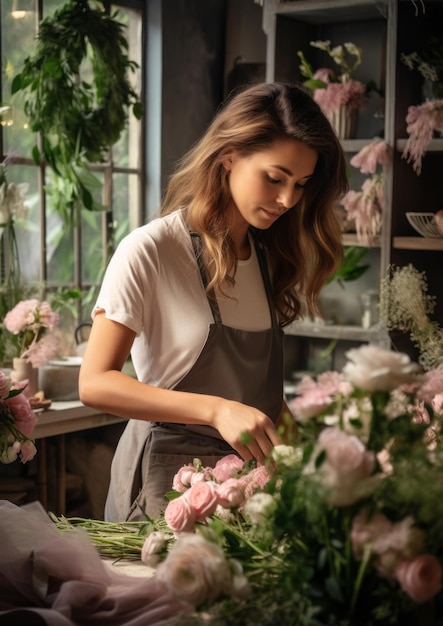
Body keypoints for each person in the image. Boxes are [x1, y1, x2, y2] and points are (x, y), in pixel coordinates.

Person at [79, 81, 349, 522]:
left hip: (246, 491)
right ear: (228, 156)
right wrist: (215, 409)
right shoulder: (151, 250)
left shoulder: (266, 257)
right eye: (274, 178)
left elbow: (260, 400)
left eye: (300, 185)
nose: (287, 200)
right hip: (163, 490)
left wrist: (311, 473)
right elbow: (94, 383)